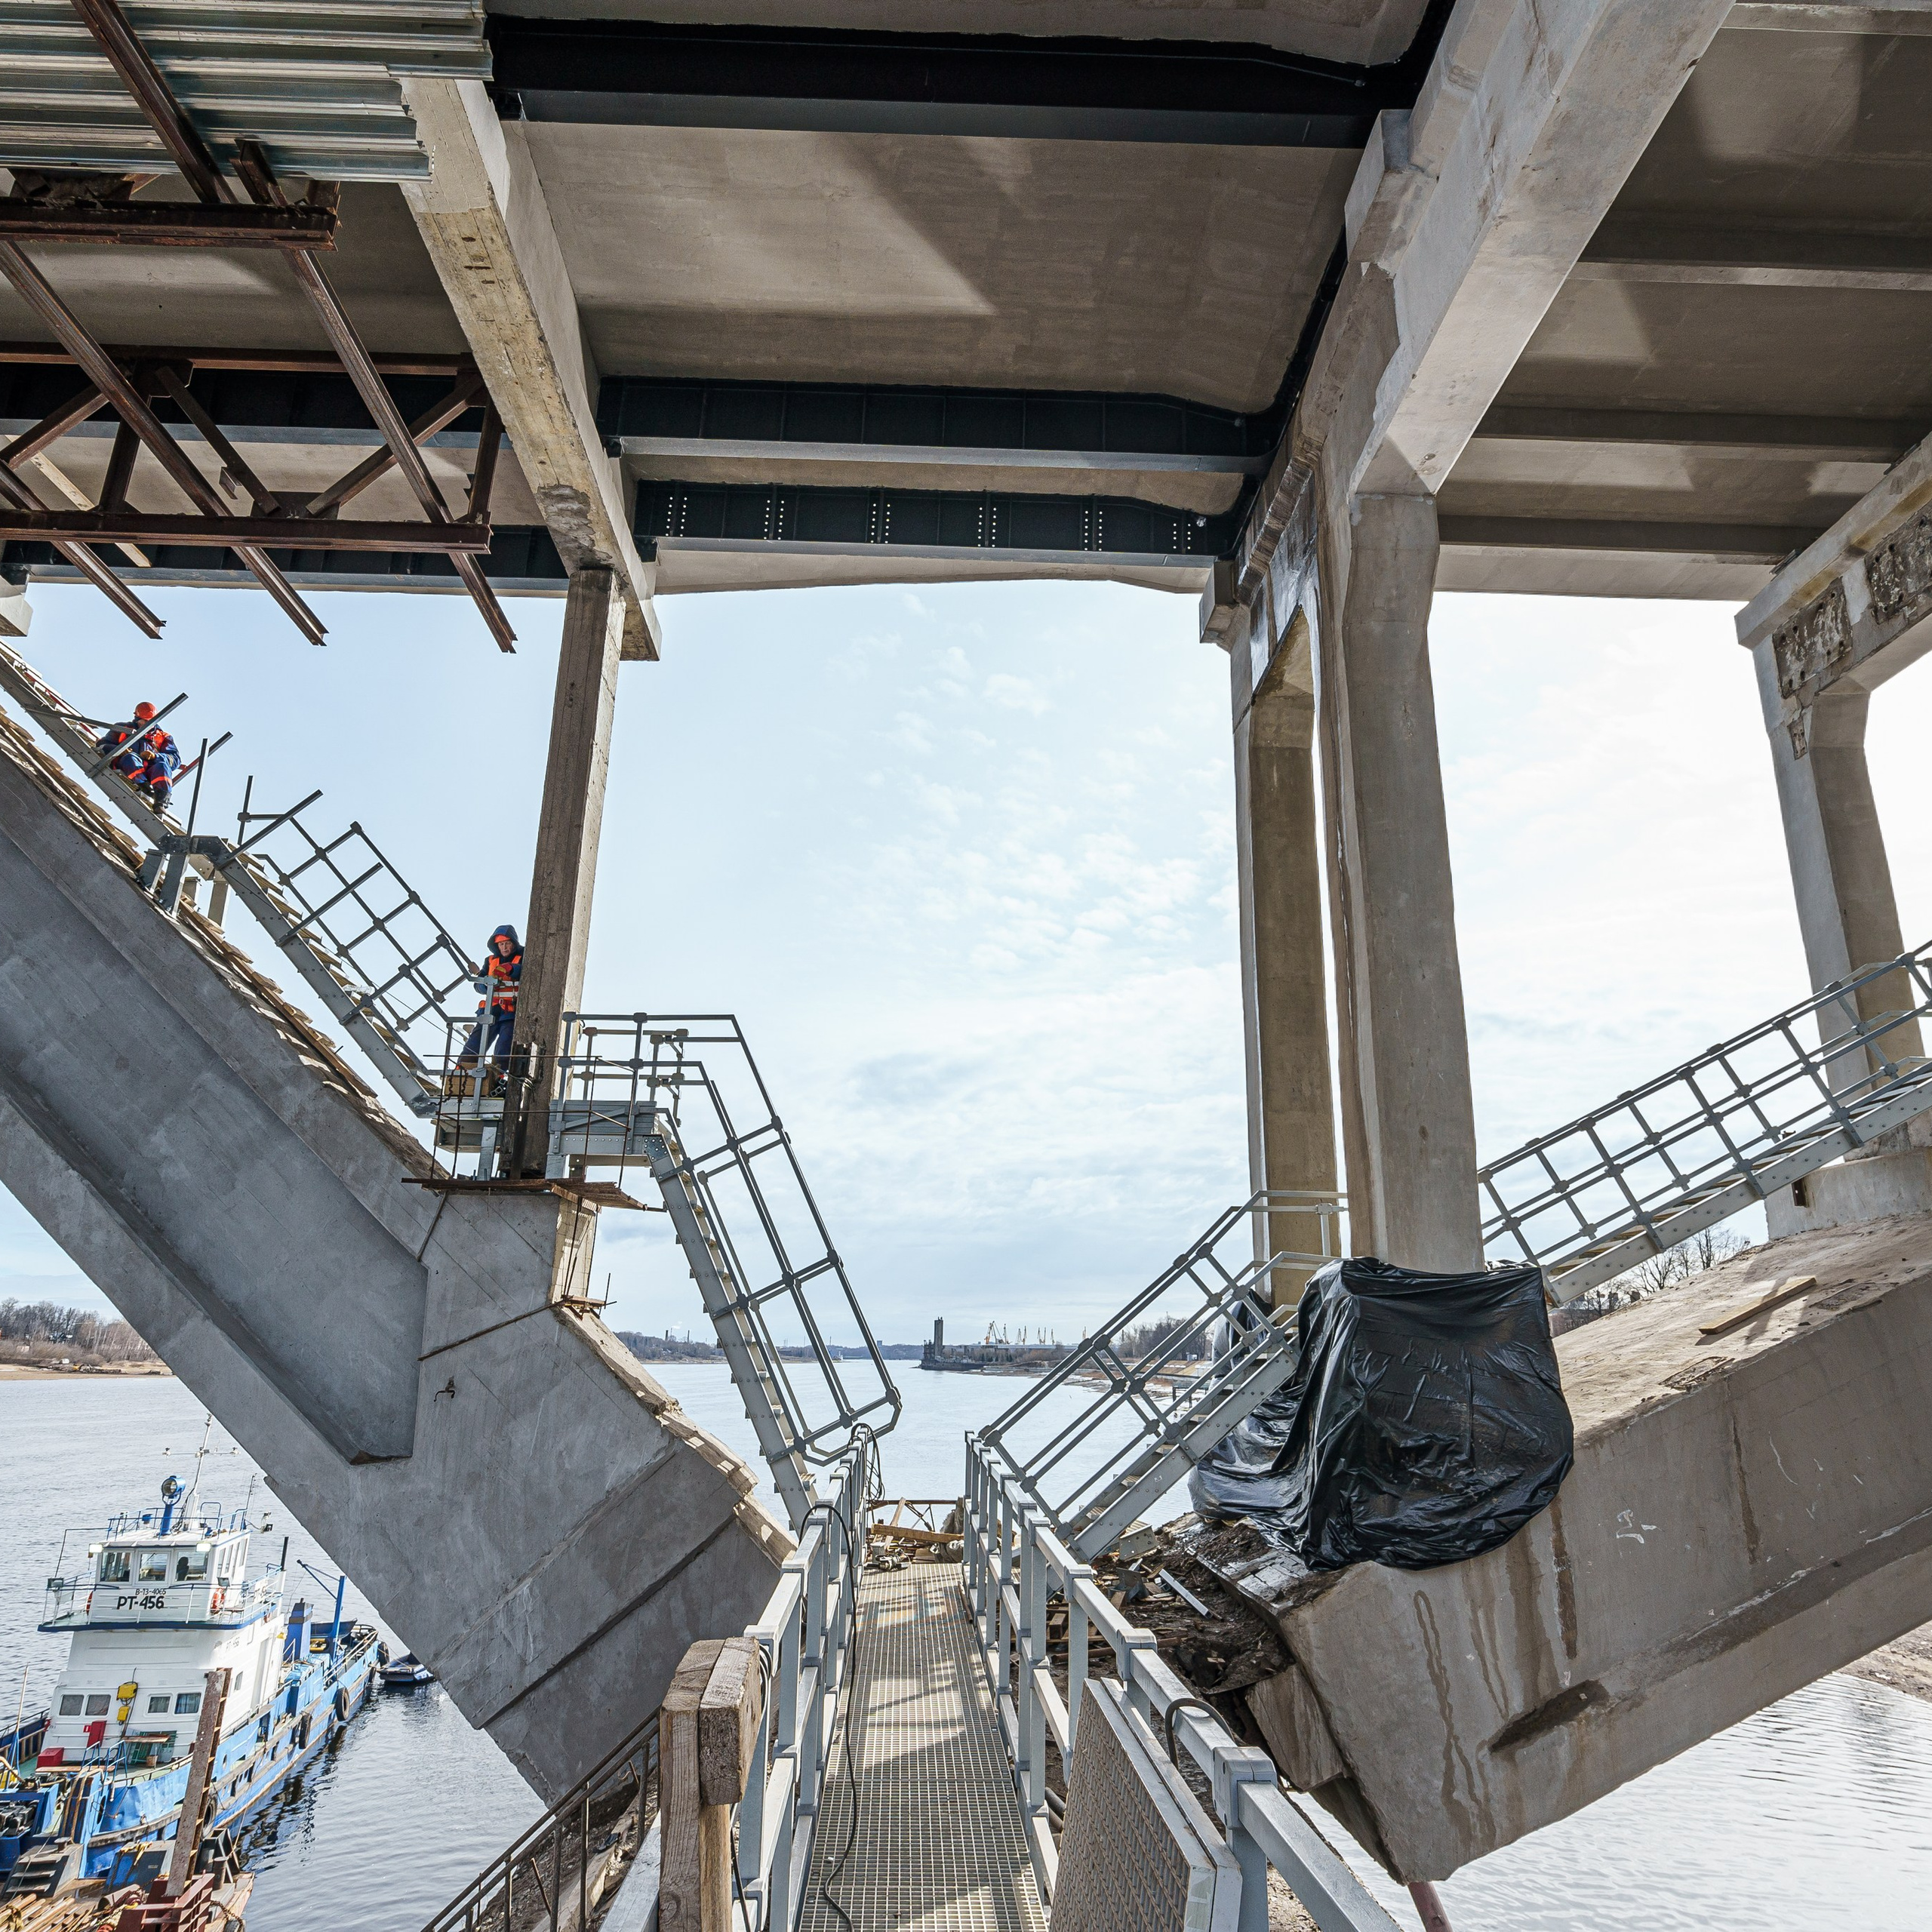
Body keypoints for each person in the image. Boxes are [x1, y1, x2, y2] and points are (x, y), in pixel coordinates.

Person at [456, 924, 521, 1088]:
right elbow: (478, 985)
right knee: (475, 1042)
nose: (504, 947)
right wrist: (487, 984)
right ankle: (461, 1073)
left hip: (511, 1012)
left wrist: (510, 969)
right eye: (501, 944)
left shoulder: (523, 955)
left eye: (507, 943)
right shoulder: (490, 960)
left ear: (513, 943)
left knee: (504, 1046)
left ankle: (499, 1078)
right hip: (491, 1011)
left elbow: (524, 970)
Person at [98, 700, 182, 811]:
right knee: (130, 758)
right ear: (137, 718)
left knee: (163, 766)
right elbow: (102, 745)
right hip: (128, 765)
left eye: (149, 721)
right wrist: (120, 750)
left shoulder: (164, 737)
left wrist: (155, 756)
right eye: (144, 721)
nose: (146, 724)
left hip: (151, 769)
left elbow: (175, 760)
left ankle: (161, 801)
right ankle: (144, 786)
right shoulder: (122, 728)